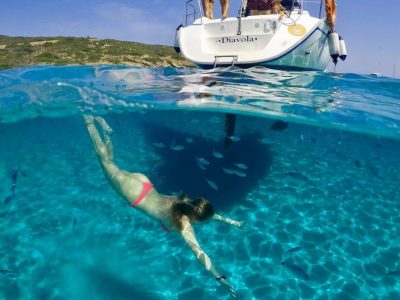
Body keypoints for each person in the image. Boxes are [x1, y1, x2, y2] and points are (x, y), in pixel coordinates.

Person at [83, 115, 244, 298]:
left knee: (112, 165)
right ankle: (88, 120)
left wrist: (233, 222)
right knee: (103, 160)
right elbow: (199, 252)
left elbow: (210, 215)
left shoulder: (187, 202)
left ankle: (108, 133)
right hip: (134, 194)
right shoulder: (183, 224)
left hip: (144, 183)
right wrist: (219, 278)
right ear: (195, 218)